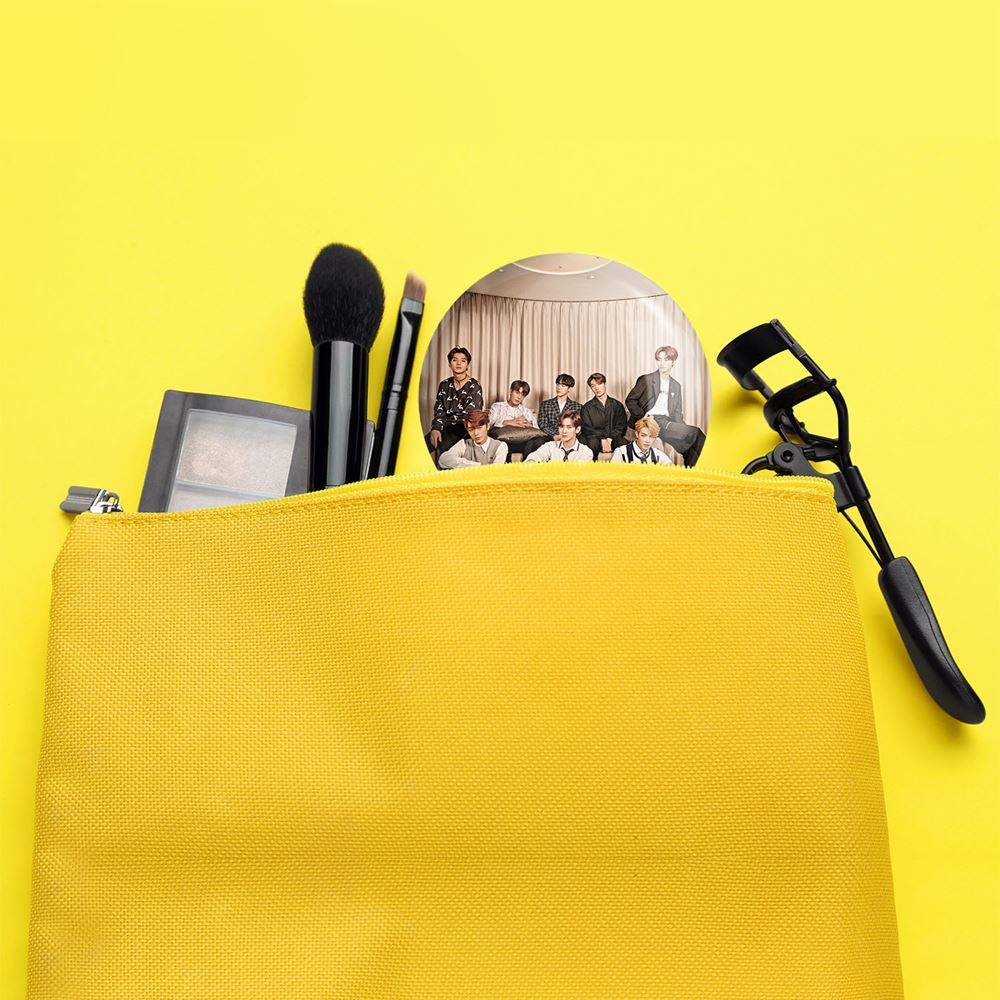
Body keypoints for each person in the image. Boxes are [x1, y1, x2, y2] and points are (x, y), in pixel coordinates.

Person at [624, 346, 705, 466]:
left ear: (673, 362)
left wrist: (681, 430)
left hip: (666, 422)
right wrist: (644, 416)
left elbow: (677, 413)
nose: (662, 363)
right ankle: (713, 461)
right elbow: (630, 400)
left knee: (688, 448)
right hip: (651, 420)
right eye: (659, 359)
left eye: (666, 359)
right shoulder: (647, 379)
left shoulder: (676, 386)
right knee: (695, 432)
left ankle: (691, 475)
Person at [428, 347, 484, 455]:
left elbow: (473, 415)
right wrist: (436, 428)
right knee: (421, 446)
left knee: (443, 448)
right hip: (445, 426)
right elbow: (440, 411)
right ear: (449, 364)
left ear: (467, 365)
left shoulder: (474, 386)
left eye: (463, 361)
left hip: (464, 428)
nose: (459, 363)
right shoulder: (444, 385)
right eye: (455, 360)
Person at [580, 372, 628, 460]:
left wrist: (609, 439)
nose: (596, 388)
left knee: (624, 445)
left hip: (614, 438)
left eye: (599, 384)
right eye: (593, 386)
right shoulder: (586, 408)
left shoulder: (617, 405)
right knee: (591, 444)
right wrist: (602, 439)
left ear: (605, 384)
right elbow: (587, 429)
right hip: (595, 439)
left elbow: (621, 426)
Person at [438, 409, 508, 468]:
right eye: (471, 429)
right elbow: (443, 459)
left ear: (487, 426)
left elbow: (495, 471)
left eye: (479, 428)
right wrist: (478, 466)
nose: (476, 433)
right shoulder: (464, 444)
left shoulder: (500, 446)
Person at [525, 410, 594, 462]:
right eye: (561, 427)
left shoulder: (585, 452)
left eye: (569, 427)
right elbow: (535, 457)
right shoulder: (550, 446)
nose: (564, 431)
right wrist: (531, 462)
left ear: (577, 429)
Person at [536, 374, 582, 439]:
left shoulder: (577, 406)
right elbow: (543, 424)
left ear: (569, 389)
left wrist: (565, 435)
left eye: (563, 386)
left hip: (570, 437)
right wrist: (554, 435)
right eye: (558, 384)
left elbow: (578, 427)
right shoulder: (545, 404)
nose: (559, 388)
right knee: (536, 442)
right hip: (550, 436)